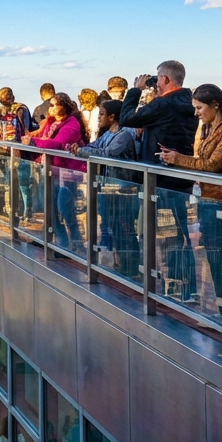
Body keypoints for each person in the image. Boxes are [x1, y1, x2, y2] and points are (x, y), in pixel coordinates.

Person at [156, 84, 222, 308]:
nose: (196, 113)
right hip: (211, 200)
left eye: (199, 108)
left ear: (215, 105)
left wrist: (177, 159)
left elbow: (211, 165)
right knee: (215, 257)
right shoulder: (213, 128)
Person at [121, 60, 200, 301]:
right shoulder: (189, 104)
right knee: (180, 234)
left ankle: (169, 285)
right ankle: (185, 287)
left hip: (158, 178)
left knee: (159, 235)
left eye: (158, 78)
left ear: (165, 79)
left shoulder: (163, 104)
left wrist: (136, 90)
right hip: (179, 176)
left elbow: (127, 118)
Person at [71, 100, 141, 276]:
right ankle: (123, 264)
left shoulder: (124, 134)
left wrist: (80, 151)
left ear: (112, 116)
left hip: (124, 189)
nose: (99, 117)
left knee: (125, 228)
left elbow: (108, 153)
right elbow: (95, 146)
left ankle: (131, 267)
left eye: (102, 114)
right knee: (115, 226)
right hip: (110, 187)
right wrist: (79, 148)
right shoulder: (108, 133)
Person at [24, 91, 90, 253]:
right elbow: (42, 137)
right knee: (51, 209)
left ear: (63, 106)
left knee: (65, 210)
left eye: (54, 105)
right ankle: (62, 244)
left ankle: (74, 244)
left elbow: (58, 143)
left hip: (67, 174)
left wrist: (33, 142)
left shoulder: (72, 124)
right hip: (51, 171)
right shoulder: (51, 122)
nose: (51, 108)